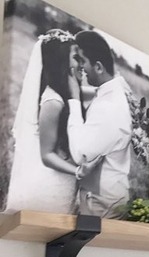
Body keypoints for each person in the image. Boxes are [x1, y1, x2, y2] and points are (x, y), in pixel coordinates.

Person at [5, 29, 89, 214]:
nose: (82, 64)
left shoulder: (69, 92)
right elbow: (47, 155)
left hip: (65, 180)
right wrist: (79, 172)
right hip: (52, 184)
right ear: (61, 62)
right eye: (77, 58)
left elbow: (96, 94)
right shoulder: (53, 101)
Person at [67, 30, 132, 218]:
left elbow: (80, 153)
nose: (80, 67)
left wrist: (73, 100)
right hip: (114, 191)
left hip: (100, 204)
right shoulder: (119, 87)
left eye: (82, 61)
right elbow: (97, 95)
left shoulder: (108, 107)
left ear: (98, 67)